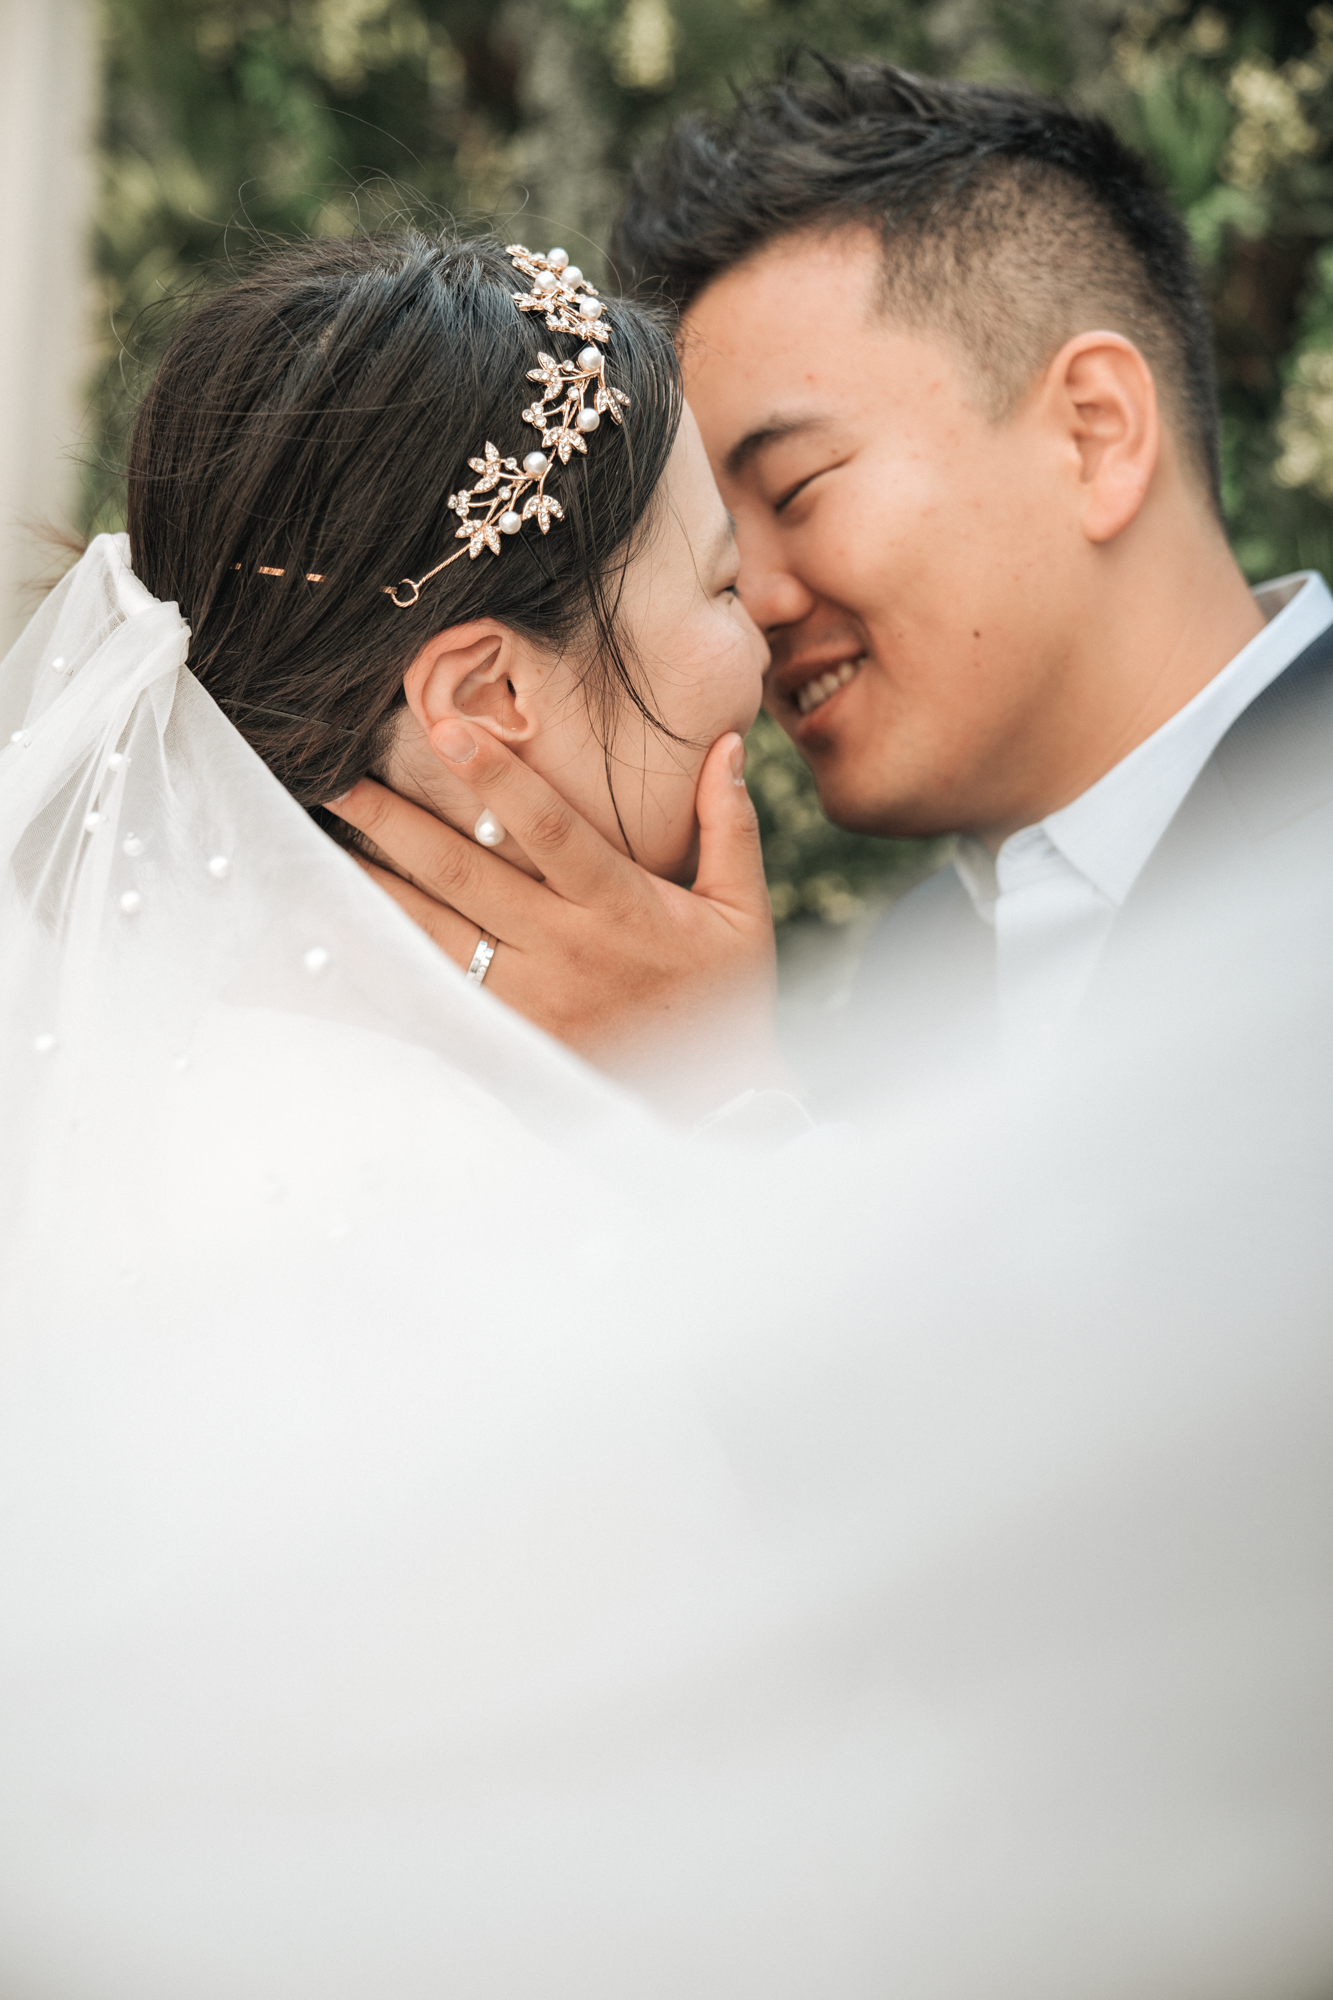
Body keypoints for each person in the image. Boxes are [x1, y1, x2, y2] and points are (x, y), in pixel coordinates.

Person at [346, 62, 1333, 1111]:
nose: (756, 609)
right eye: (718, 552)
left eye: (797, 487)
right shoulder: (908, 974)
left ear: (1093, 432)